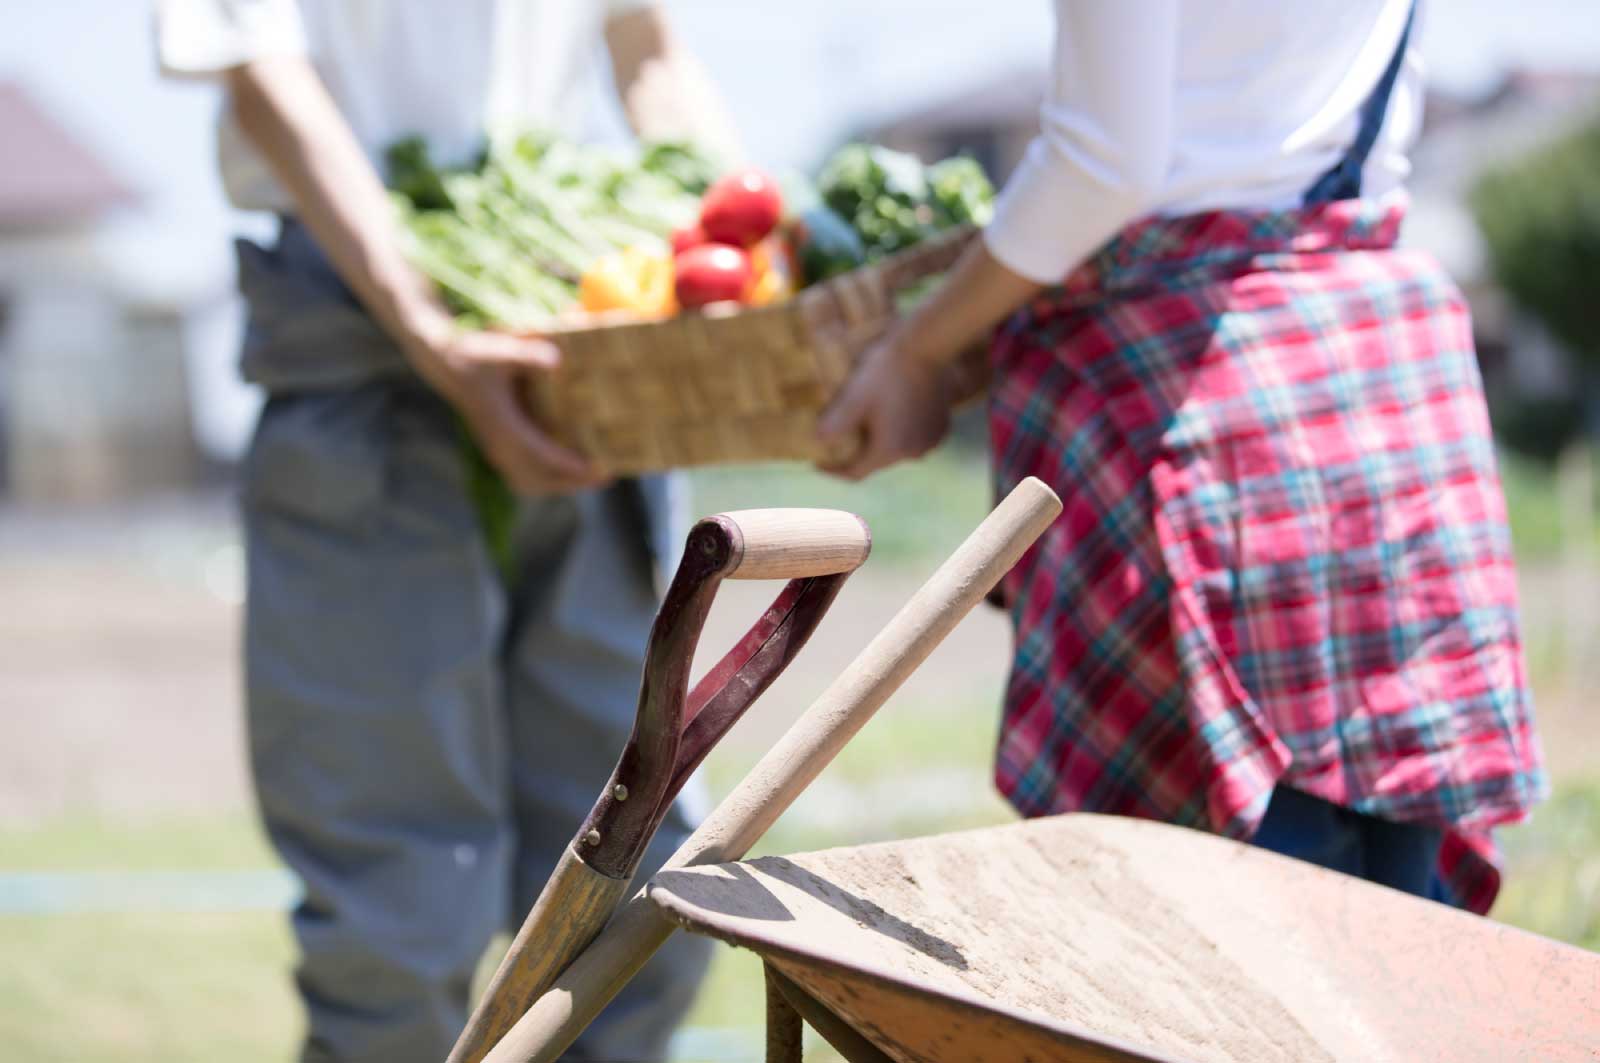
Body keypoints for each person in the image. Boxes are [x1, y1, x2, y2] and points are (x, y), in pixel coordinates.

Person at [820, 0, 1546, 912]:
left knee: (1219, 928)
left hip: (1200, 395)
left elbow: (1102, 163)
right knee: (1398, 924)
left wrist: (918, 350)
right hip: (1378, 367)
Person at [155, 2, 741, 1060]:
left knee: (642, 902)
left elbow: (647, 47)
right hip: (360, 353)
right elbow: (261, 72)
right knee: (400, 931)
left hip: (577, 350)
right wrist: (430, 321)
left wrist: (747, 254)